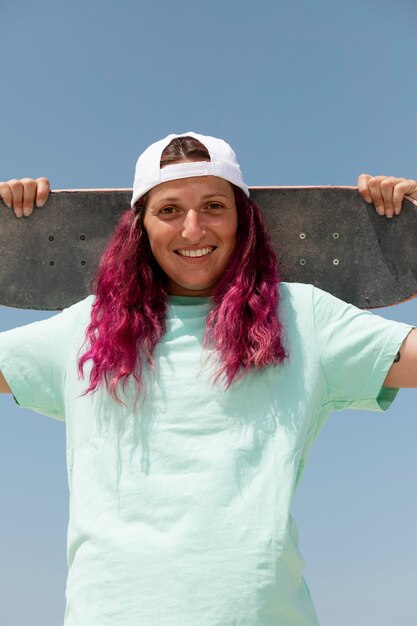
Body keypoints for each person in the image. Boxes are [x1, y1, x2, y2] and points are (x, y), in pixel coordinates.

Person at [0, 131, 416, 626]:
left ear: (244, 221)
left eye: (214, 206)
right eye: (170, 210)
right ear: (141, 227)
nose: (193, 230)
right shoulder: (85, 329)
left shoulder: (304, 317)